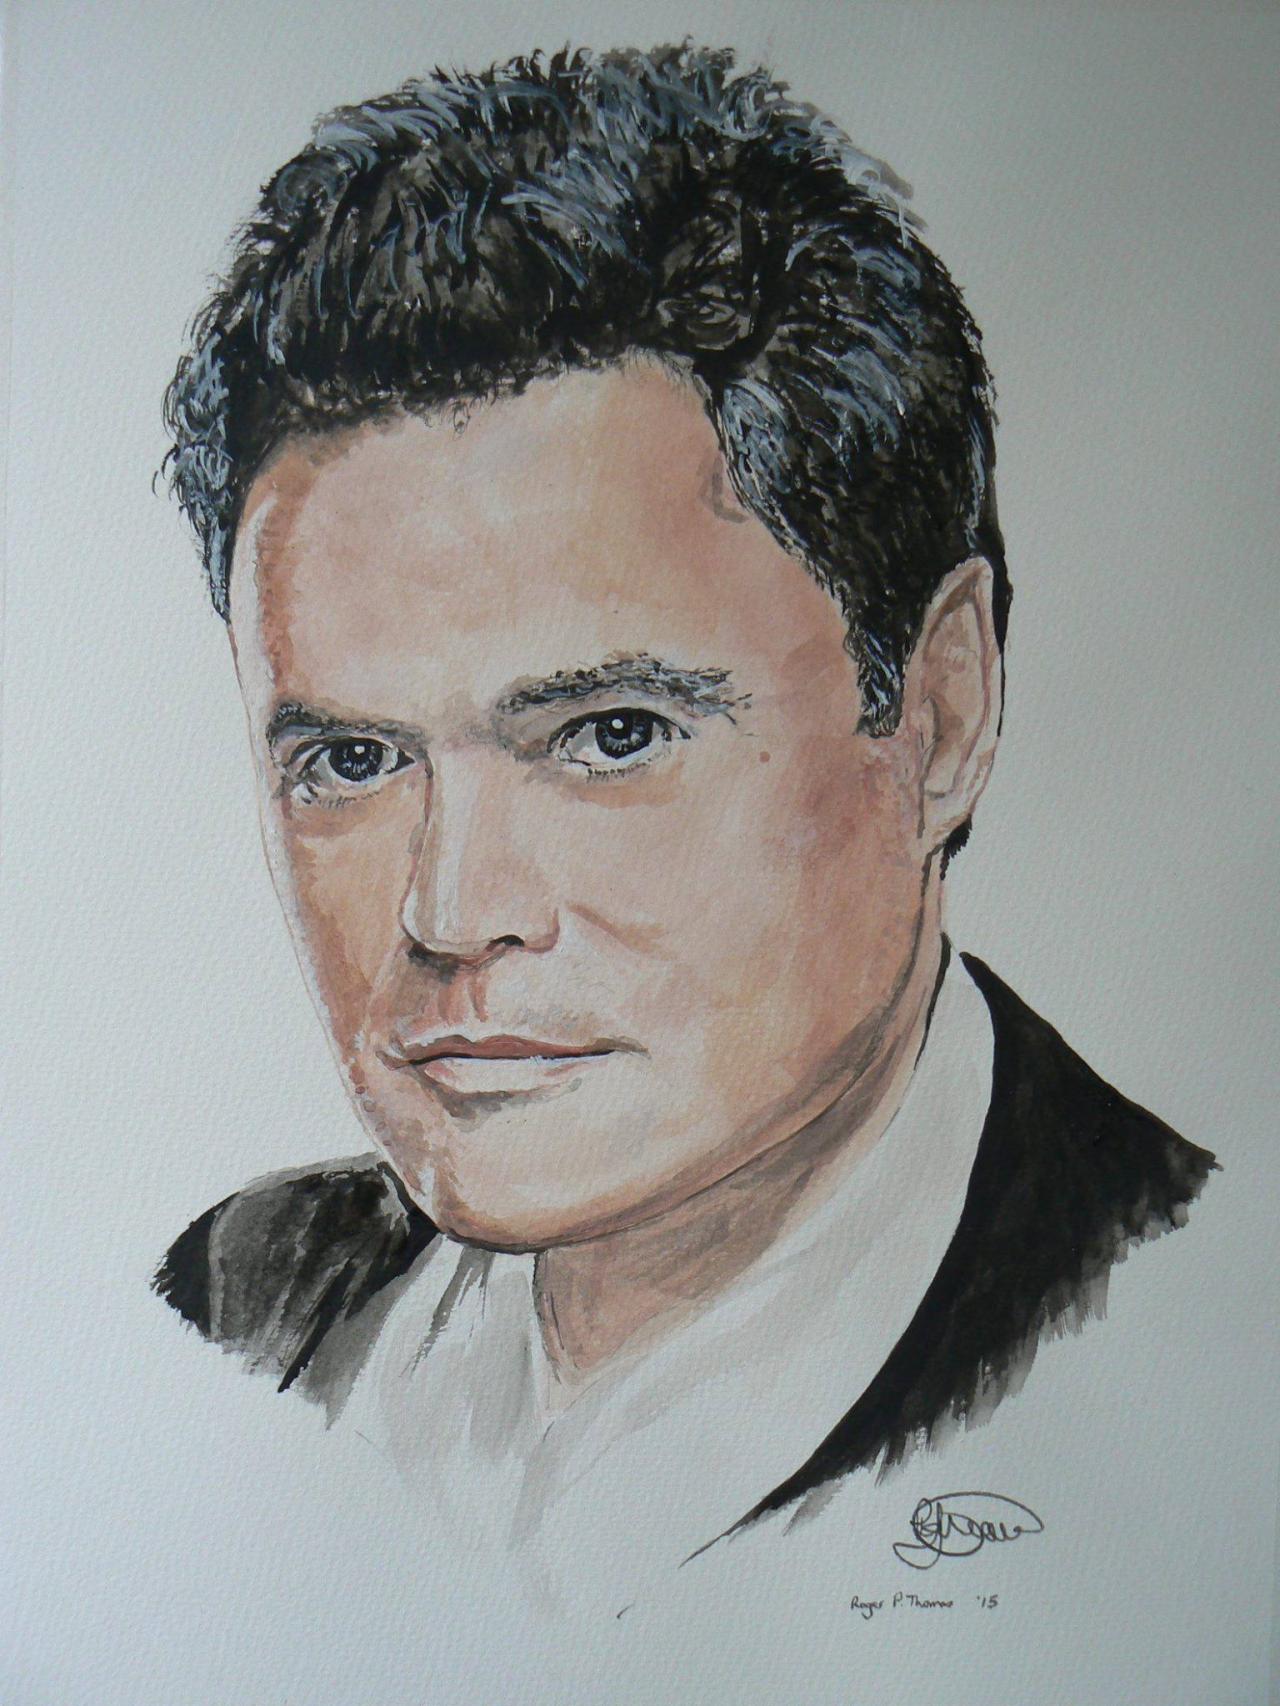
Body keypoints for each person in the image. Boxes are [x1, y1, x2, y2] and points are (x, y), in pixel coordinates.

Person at [154, 42, 1215, 1580]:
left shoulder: (1194, 1327)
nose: (451, 910)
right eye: (353, 762)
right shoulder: (238, 1304)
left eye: (610, 735)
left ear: (939, 715)